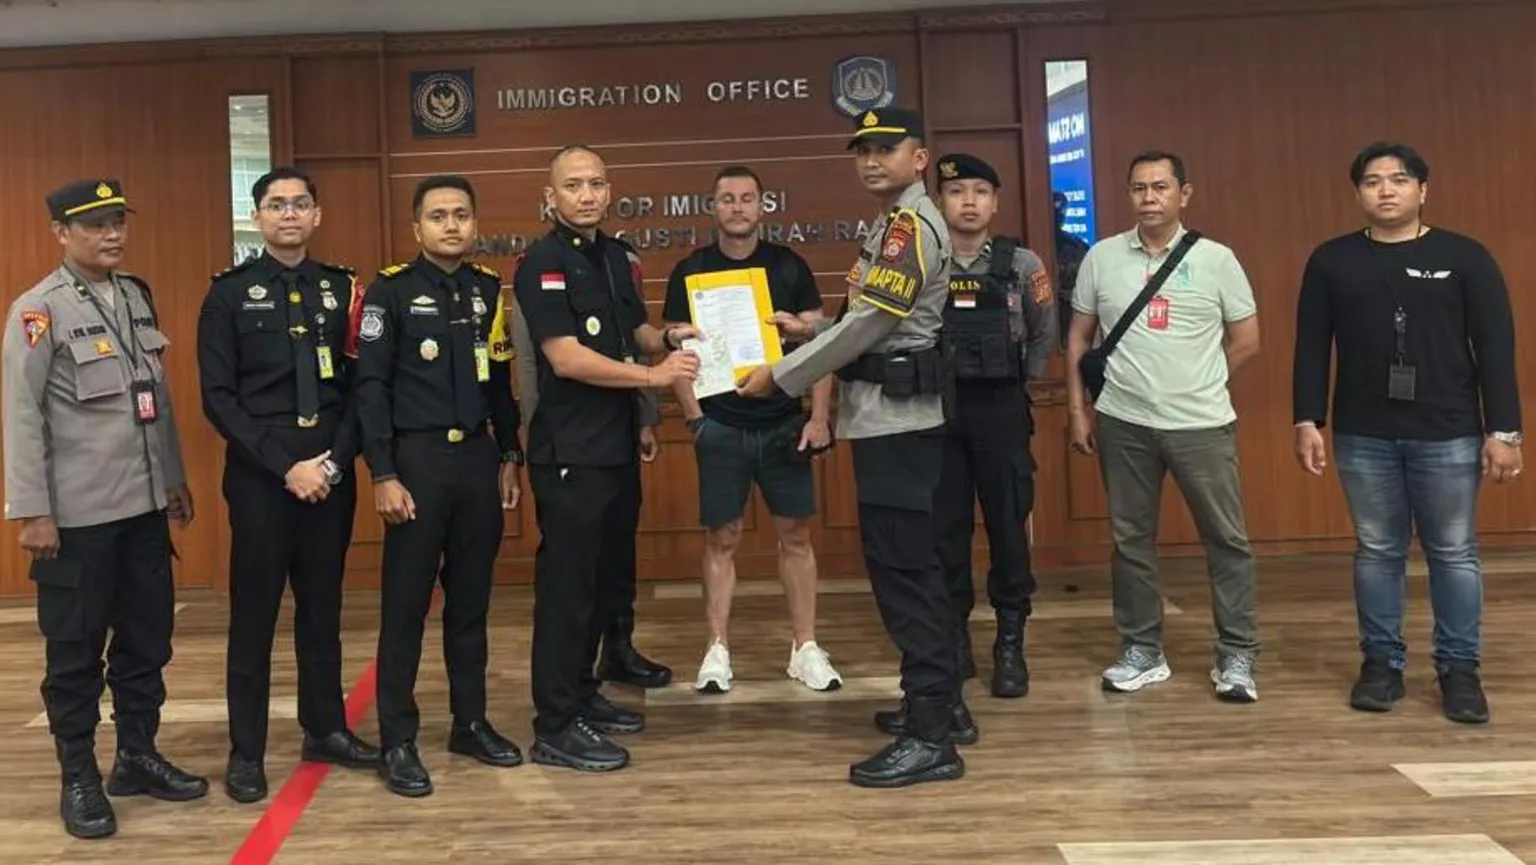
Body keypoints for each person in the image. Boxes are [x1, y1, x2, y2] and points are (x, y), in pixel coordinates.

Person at [738, 107, 963, 788]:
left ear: (919, 157)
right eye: (862, 150)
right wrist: (809, 328)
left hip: (900, 425)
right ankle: (933, 704)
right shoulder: (892, 223)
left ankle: (933, 735)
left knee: (905, 572)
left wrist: (782, 372)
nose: (871, 160)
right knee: (905, 566)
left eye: (887, 149)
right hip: (886, 418)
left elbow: (872, 323)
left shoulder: (910, 227)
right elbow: (861, 319)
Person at [1292, 141, 1521, 724]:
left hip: (1448, 432)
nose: (1385, 190)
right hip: (1363, 433)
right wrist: (1306, 419)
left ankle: (1460, 670)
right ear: (1358, 193)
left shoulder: (1465, 257)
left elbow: (1495, 349)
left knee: (1454, 552)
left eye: (1398, 179)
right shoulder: (1331, 260)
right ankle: (1381, 665)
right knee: (1376, 551)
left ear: (1424, 189)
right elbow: (1312, 347)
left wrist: (1506, 431)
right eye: (1372, 181)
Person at [3, 179, 205, 839]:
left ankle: (137, 754)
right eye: (93, 224)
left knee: (148, 638)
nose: (111, 233)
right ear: (60, 232)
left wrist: (172, 476)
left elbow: (158, 397)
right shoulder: (38, 309)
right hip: (79, 517)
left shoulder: (135, 295)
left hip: (143, 507)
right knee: (75, 651)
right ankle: (79, 774)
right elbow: (22, 415)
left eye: (117, 220)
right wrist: (32, 509)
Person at [196, 166, 380, 804]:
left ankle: (325, 727)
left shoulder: (342, 290)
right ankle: (246, 751)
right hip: (262, 479)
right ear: (257, 217)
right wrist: (286, 466)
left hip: (330, 472)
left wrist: (334, 461)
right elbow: (219, 400)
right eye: (276, 205)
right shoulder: (227, 294)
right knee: (254, 615)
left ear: (317, 215)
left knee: (323, 610)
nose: (289, 214)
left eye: (301, 204)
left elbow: (363, 387)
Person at [514, 145, 701, 773]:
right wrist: (653, 379)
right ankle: (555, 724)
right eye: (573, 185)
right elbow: (565, 357)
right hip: (570, 450)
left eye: (596, 183)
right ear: (551, 196)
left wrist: (671, 337)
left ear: (609, 190)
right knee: (567, 589)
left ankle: (583, 695)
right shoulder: (541, 263)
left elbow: (637, 333)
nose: (586, 195)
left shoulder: (618, 257)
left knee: (601, 585)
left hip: (616, 445)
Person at [1064, 150, 1263, 702]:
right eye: (1138, 189)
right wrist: (1078, 410)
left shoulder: (1218, 259)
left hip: (1201, 424)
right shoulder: (1102, 257)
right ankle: (1143, 650)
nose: (1149, 198)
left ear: (1184, 193)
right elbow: (1079, 337)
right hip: (1123, 423)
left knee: (1226, 541)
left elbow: (1248, 339)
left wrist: (1200, 379)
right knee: (1130, 541)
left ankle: (1237, 654)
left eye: (1160, 187)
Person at [354, 174, 525, 797]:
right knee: (404, 610)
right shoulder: (390, 291)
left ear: (475, 222)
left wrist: (510, 453)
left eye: (460, 214)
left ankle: (470, 721)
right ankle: (397, 738)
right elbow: (369, 388)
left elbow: (499, 381)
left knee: (471, 605)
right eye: (437, 216)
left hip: (476, 461)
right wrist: (383, 472)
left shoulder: (486, 290)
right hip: (415, 465)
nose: (451, 225)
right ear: (416, 227)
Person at [661, 164, 842, 695]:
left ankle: (804, 647)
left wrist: (819, 416)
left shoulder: (789, 266)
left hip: (784, 422)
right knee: (723, 537)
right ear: (713, 208)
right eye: (727, 199)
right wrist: (694, 419)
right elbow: (678, 349)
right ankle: (716, 648)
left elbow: (821, 347)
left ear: (762, 206)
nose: (737, 207)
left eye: (747, 198)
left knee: (795, 535)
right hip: (719, 424)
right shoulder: (691, 269)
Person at [929, 152, 1055, 700]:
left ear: (995, 202)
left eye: (981, 192)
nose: (970, 202)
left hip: (1001, 408)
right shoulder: (924, 261)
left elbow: (1044, 330)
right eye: (958, 193)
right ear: (941, 202)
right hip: (938, 409)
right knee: (946, 529)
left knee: (1008, 525)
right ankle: (955, 638)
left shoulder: (1022, 264)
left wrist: (1020, 382)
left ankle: (1010, 641)